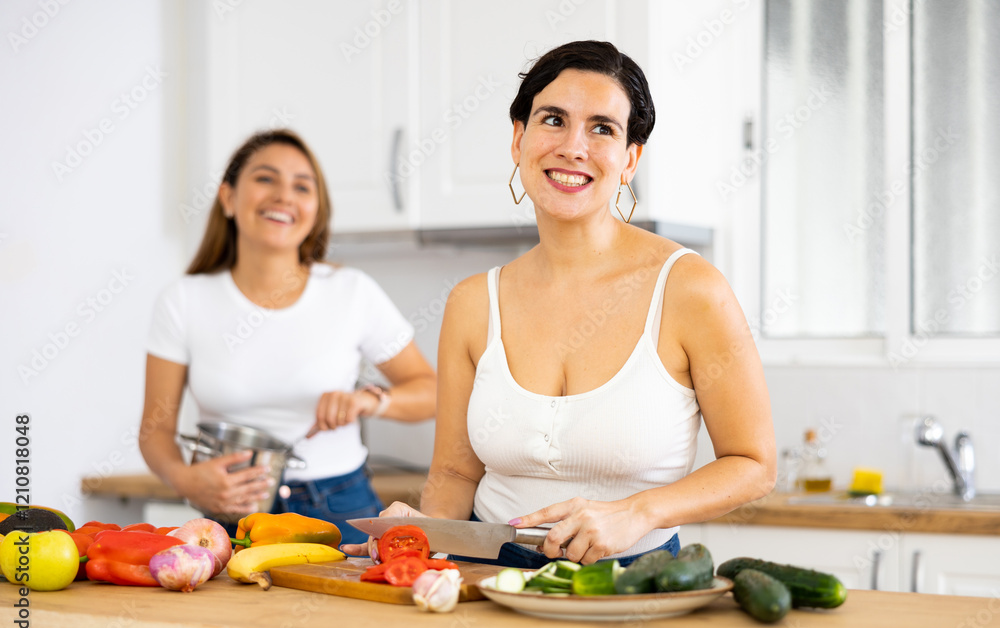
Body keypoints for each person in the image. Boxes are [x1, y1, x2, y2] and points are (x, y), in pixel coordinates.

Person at [343, 41, 775, 567]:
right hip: (488, 579)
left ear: (630, 159)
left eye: (602, 128)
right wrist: (421, 536)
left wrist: (639, 512)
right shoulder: (474, 302)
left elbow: (753, 463)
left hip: (631, 584)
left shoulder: (691, 290)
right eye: (553, 119)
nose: (574, 147)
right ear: (520, 139)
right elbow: (456, 474)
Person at [139, 129, 437, 544]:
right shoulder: (184, 300)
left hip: (339, 506)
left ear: (315, 210)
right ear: (228, 197)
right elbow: (154, 431)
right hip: (227, 511)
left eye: (302, 186)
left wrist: (369, 399)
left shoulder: (351, 291)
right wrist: (185, 479)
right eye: (265, 178)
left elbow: (432, 392)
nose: (284, 196)